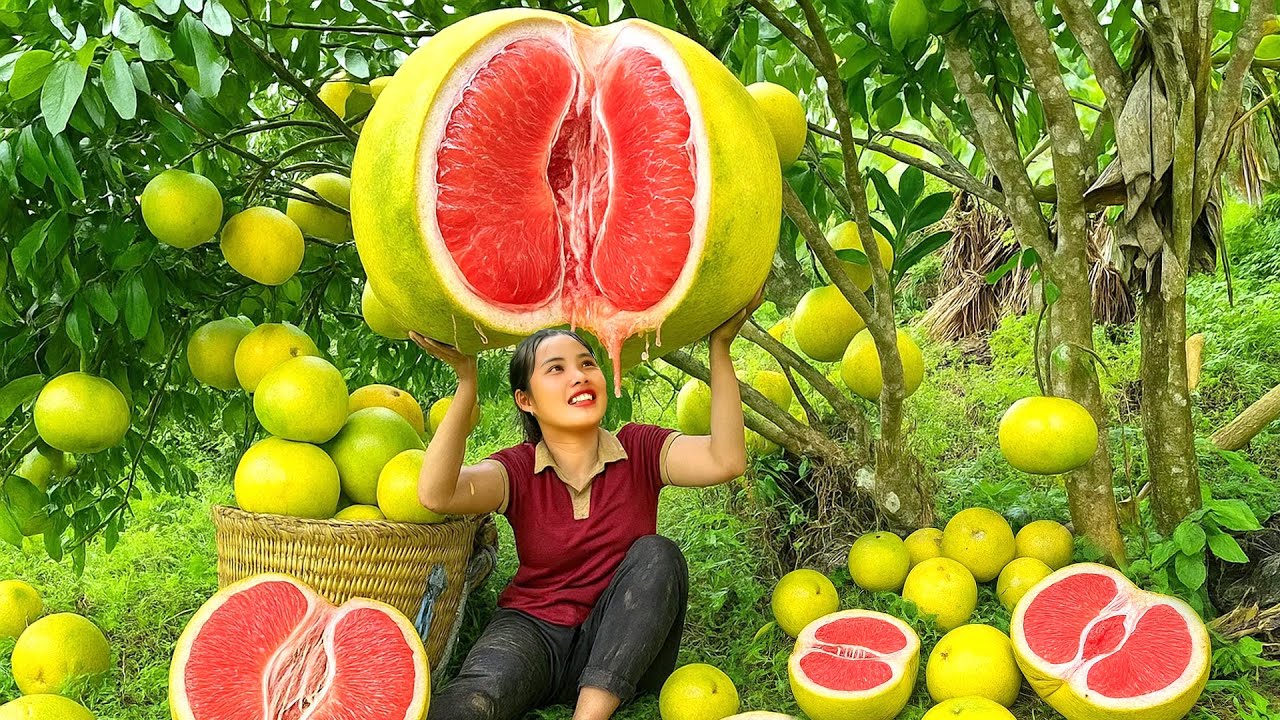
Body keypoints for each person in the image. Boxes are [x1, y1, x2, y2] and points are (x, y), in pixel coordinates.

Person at [413, 288, 764, 720]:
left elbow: (725, 460)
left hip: (622, 641)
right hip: (533, 633)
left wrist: (720, 349)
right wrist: (467, 385)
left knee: (658, 554)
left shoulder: (639, 449)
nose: (578, 376)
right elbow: (437, 494)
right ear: (526, 400)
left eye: (587, 364)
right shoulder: (517, 470)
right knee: (474, 702)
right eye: (556, 369)